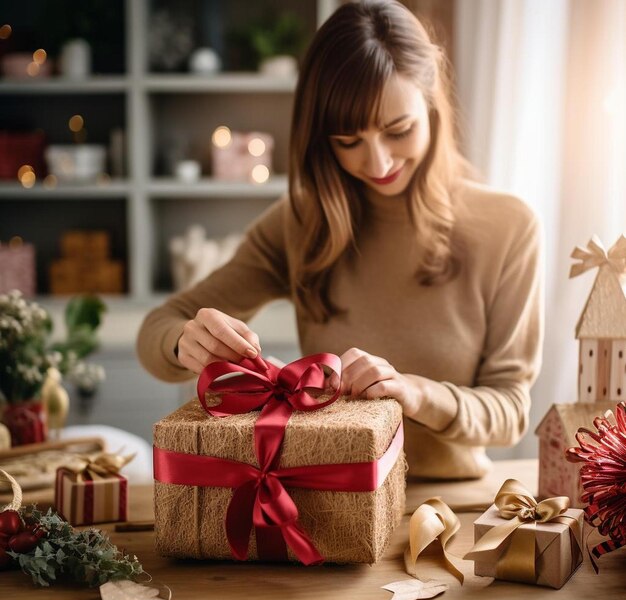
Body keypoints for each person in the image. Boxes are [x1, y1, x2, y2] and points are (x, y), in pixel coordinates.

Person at [137, 0, 543, 480]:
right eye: (348, 141)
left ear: (432, 100)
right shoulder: (298, 223)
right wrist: (187, 342)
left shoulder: (508, 227)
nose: (378, 163)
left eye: (399, 130)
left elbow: (511, 411)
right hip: (327, 503)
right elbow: (157, 330)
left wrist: (413, 393)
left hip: (450, 505)